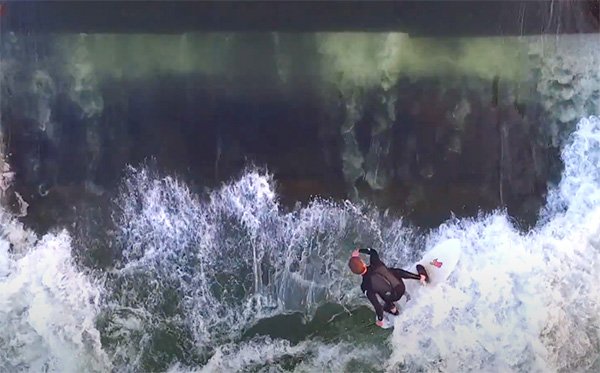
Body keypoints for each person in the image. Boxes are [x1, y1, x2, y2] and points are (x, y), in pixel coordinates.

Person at [348, 247, 428, 327]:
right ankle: (420, 277)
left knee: (378, 296)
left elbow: (377, 306)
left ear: (356, 273)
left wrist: (380, 320)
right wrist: (359, 251)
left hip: (392, 298)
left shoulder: (365, 285)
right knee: (394, 272)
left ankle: (393, 310)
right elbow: (373, 251)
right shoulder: (376, 263)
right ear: (363, 263)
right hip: (401, 287)